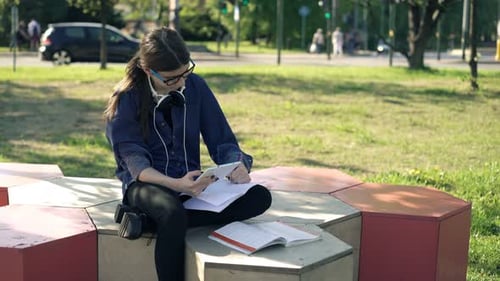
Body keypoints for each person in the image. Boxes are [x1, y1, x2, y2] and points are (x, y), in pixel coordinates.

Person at [104, 26, 272, 281]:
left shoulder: (196, 87)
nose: (182, 82)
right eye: (172, 79)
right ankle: (164, 220)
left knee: (260, 197)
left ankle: (148, 222)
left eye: (185, 73)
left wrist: (237, 165)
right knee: (172, 214)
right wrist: (175, 184)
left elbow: (222, 140)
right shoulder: (126, 98)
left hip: (192, 186)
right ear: (148, 70)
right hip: (148, 185)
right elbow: (136, 165)